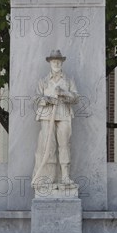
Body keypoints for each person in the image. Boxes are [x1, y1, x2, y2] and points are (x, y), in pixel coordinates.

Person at [32, 50, 79, 189]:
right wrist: (46, 100)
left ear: (62, 62)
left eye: (58, 61)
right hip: (47, 116)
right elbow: (35, 98)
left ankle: (65, 176)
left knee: (64, 145)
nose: (56, 63)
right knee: (48, 146)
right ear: (50, 63)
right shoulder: (43, 81)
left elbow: (76, 98)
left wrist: (64, 93)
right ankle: (49, 177)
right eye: (53, 61)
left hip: (64, 115)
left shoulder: (69, 80)